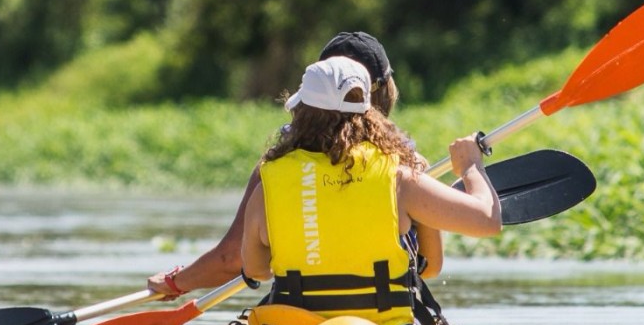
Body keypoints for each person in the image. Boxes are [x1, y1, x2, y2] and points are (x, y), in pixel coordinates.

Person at [148, 32, 450, 297]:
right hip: (386, 321)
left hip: (299, 319)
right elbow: (430, 266)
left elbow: (233, 259)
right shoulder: (406, 165)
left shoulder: (278, 166)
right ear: (383, 90)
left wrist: (177, 282)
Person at [239, 56, 501, 325]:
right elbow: (487, 220)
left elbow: (256, 269)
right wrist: (470, 166)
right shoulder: (398, 178)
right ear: (368, 113)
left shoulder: (269, 185)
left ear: (301, 112)